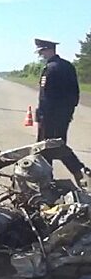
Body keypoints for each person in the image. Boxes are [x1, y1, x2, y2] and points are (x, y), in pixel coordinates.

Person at [34, 38, 89, 185]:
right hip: (63, 115)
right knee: (58, 145)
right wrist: (68, 112)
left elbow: (46, 96)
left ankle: (49, 181)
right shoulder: (68, 66)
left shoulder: (50, 68)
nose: (41, 55)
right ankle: (80, 173)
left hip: (50, 116)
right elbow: (75, 93)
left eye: (42, 51)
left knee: (45, 148)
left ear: (48, 50)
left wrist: (41, 114)